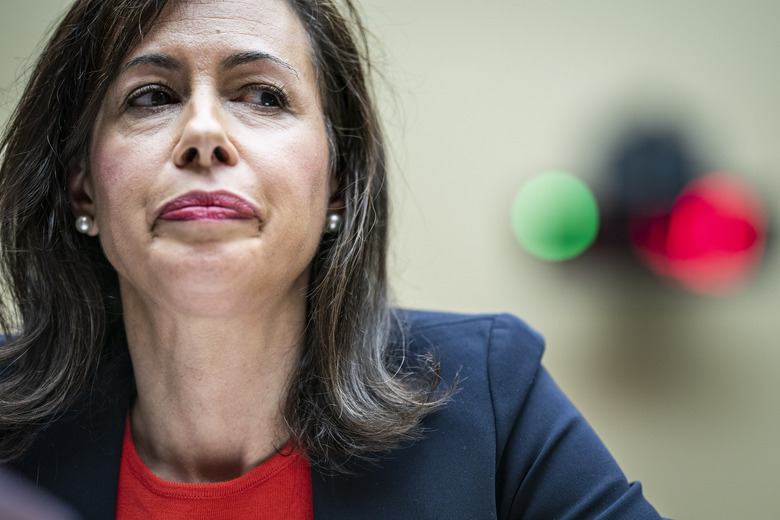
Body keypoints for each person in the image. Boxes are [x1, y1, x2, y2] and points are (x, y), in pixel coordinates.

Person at [0, 0, 669, 518]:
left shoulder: (489, 397)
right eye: (151, 96)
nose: (202, 133)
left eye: (263, 95)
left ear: (339, 183)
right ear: (82, 185)